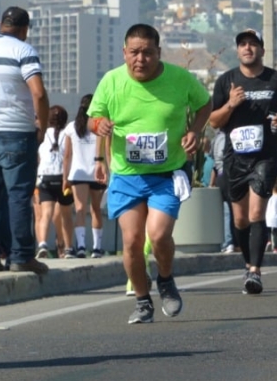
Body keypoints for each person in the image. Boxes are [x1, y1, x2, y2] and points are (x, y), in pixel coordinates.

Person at [89, 23, 211, 324]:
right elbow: (95, 117)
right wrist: (100, 128)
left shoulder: (180, 79)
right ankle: (143, 301)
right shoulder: (112, 81)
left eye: (147, 53)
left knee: (158, 235)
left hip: (167, 173)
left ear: (159, 53)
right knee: (131, 241)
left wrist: (195, 130)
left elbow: (206, 104)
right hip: (127, 175)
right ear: (124, 53)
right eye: (134, 53)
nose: (140, 59)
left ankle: (166, 279)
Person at [0, 6, 50, 274]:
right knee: (18, 197)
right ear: (24, 29)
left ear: (0, 23)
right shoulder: (23, 51)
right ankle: (20, 257)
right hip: (17, 133)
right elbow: (38, 93)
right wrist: (42, 126)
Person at [209, 28, 277, 295]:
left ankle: (255, 271)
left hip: (264, 157)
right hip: (234, 159)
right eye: (242, 44)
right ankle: (247, 262)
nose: (247, 48)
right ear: (237, 50)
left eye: (253, 44)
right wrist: (230, 104)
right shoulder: (226, 81)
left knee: (256, 214)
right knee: (240, 219)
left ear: (262, 50)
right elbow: (214, 121)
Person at [63, 94, 107, 258]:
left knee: (79, 209)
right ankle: (97, 248)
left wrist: (65, 178)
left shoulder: (72, 127)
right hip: (96, 172)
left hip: (78, 172)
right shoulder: (100, 127)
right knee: (96, 209)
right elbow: (106, 150)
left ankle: (81, 246)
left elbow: (67, 156)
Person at [36, 105, 76, 258]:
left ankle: (42, 244)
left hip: (45, 177)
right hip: (62, 178)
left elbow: (39, 157)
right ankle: (68, 248)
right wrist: (67, 178)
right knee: (66, 215)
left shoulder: (42, 135)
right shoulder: (68, 134)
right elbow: (68, 157)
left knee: (46, 213)